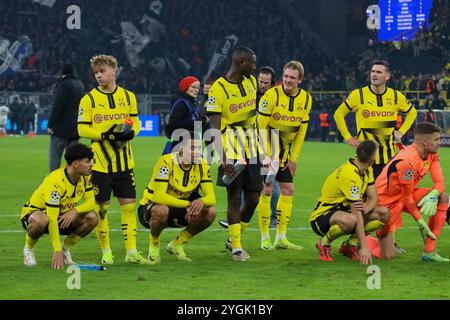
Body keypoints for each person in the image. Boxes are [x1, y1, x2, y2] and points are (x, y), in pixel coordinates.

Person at [334, 60, 417, 253]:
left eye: (379, 72)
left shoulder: (396, 96)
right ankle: (355, 242)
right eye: (372, 71)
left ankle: (389, 243)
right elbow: (339, 114)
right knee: (362, 203)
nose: (374, 74)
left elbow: (411, 112)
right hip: (365, 161)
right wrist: (348, 137)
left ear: (387, 76)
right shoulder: (358, 95)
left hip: (388, 160)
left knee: (389, 203)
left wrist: (402, 131)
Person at [77, 54, 149, 265]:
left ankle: (132, 252)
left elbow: (135, 122)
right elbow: (81, 128)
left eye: (102, 71)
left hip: (125, 164)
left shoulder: (128, 97)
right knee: (101, 210)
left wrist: (132, 133)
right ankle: (106, 251)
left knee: (128, 208)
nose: (99, 76)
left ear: (113, 71)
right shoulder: (88, 99)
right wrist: (106, 135)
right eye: (96, 73)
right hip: (99, 165)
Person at [205, 47, 261, 262]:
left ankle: (233, 238)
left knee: (255, 197)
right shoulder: (218, 89)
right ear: (241, 62)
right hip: (230, 148)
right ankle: (237, 248)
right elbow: (214, 127)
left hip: (253, 146)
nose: (254, 67)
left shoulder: (251, 82)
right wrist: (224, 157)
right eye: (252, 63)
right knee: (235, 197)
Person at [372, 122, 449, 262]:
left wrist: (433, 195)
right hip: (385, 201)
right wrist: (420, 222)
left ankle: (429, 252)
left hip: (405, 195)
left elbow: (440, 182)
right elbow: (407, 198)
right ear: (425, 142)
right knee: (387, 255)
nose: (440, 143)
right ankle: (361, 239)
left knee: (443, 198)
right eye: (437, 139)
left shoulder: (431, 154)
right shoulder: (408, 161)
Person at [257, 60, 312, 251]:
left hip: (286, 154)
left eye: (292, 78)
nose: (288, 80)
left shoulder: (306, 99)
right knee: (267, 190)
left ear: (300, 80)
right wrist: (267, 155)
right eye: (286, 76)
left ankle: (281, 237)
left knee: (288, 190)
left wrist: (294, 158)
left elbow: (301, 132)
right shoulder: (271, 95)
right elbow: (260, 127)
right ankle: (265, 238)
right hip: (268, 151)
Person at [138, 133, 216, 263]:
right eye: (192, 148)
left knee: (210, 212)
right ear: (181, 149)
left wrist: (201, 201)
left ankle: (177, 243)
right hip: (151, 209)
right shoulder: (165, 162)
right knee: (162, 210)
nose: (197, 152)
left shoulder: (202, 165)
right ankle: (154, 246)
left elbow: (211, 198)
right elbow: (159, 196)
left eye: (198, 148)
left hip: (179, 209)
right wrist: (188, 204)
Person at [309, 140, 390, 264]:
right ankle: (324, 243)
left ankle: (349, 245)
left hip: (345, 212)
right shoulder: (349, 175)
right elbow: (356, 212)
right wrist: (365, 247)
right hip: (322, 217)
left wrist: (365, 210)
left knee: (384, 213)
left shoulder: (367, 169)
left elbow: (374, 198)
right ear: (373, 158)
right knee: (352, 220)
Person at [218, 65, 278, 229]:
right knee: (252, 182)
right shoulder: (254, 96)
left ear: (272, 84)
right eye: (261, 81)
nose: (263, 85)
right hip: (252, 144)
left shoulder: (275, 98)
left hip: (270, 143)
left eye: (266, 82)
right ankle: (239, 216)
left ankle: (272, 218)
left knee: (270, 182)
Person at [20, 143, 99, 269]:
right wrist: (56, 250)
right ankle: (28, 248)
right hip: (37, 214)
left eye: (91, 161)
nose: (91, 164)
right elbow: (51, 218)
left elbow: (91, 203)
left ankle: (65, 249)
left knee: (93, 217)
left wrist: (74, 211)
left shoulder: (85, 176)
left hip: (61, 216)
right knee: (41, 220)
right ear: (75, 164)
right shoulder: (55, 182)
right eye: (87, 161)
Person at [48, 64, 85, 172]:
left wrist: (51, 124)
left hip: (61, 128)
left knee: (55, 157)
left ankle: (54, 182)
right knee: (73, 159)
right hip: (75, 127)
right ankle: (73, 181)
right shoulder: (80, 85)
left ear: (63, 72)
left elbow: (58, 105)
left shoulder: (64, 84)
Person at [162, 76, 204, 154]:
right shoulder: (181, 103)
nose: (196, 90)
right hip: (181, 145)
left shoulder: (190, 102)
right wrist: (196, 124)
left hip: (190, 144)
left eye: (198, 88)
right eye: (193, 87)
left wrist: (202, 121)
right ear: (185, 87)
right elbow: (174, 123)